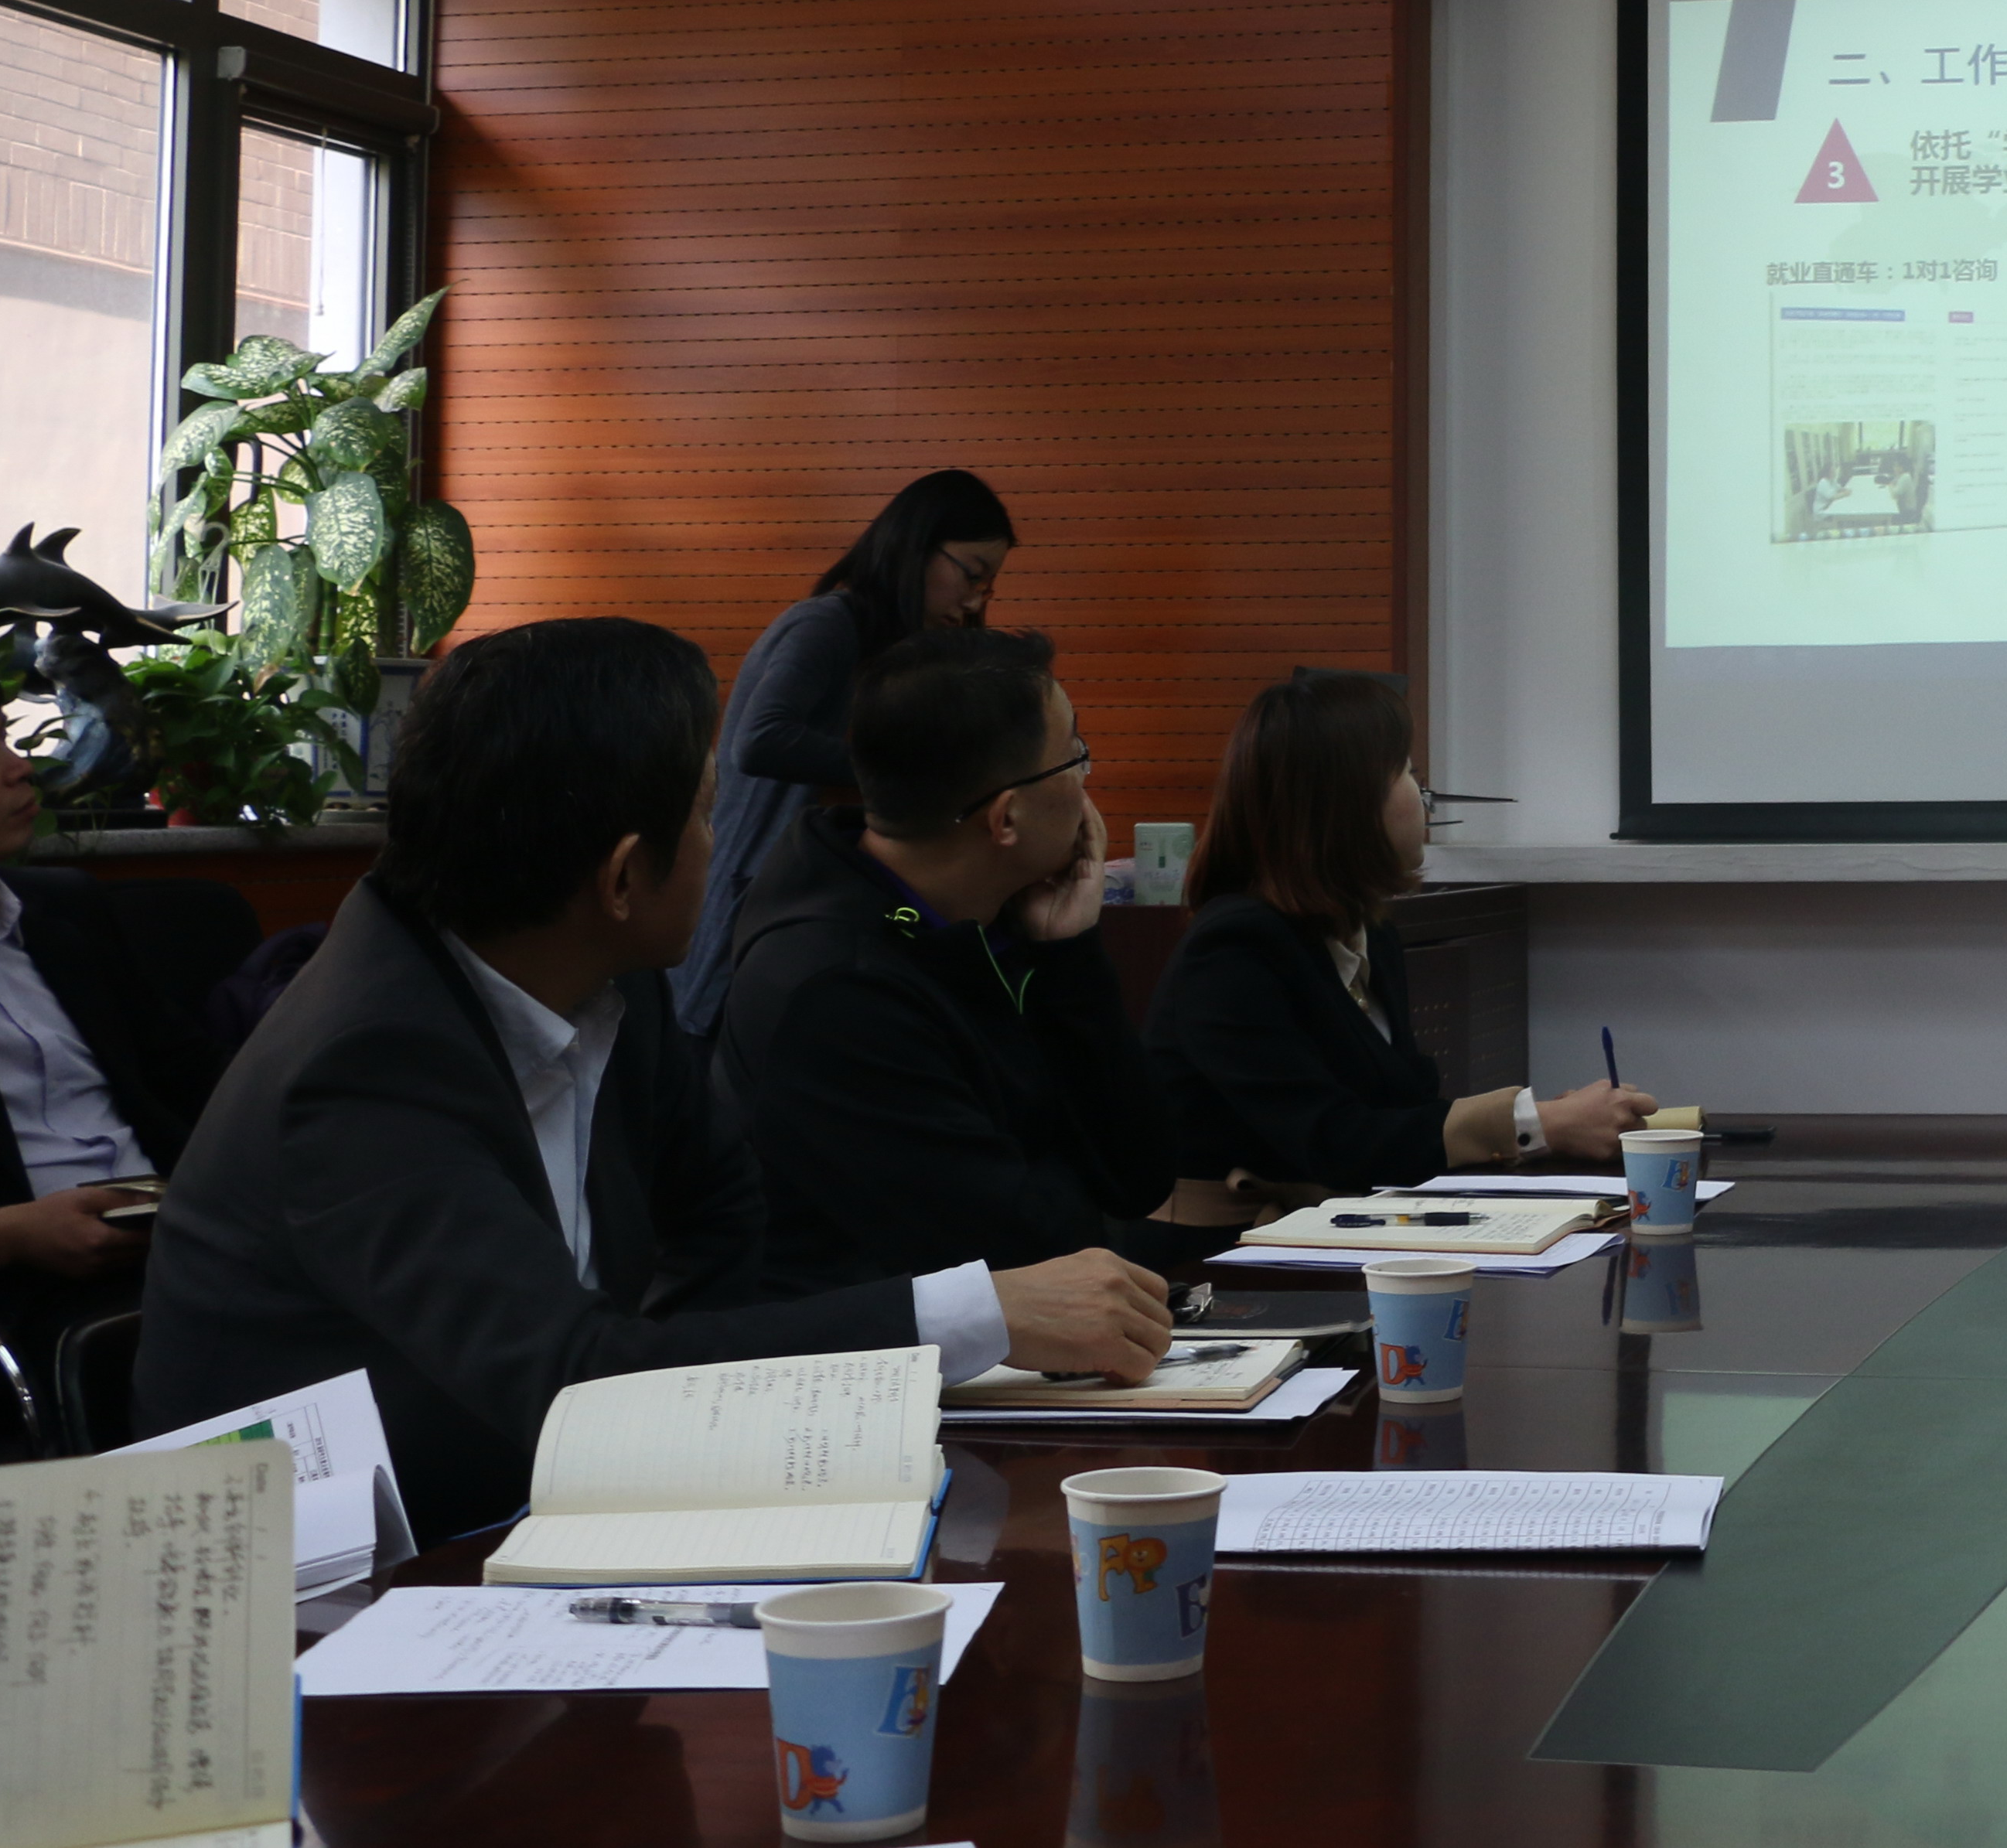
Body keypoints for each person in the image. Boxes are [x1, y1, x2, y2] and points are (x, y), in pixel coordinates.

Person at [135, 618, 1166, 1542]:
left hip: (538, 1515)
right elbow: (569, 1376)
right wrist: (973, 1310)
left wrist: (684, 1394)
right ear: (625, 876)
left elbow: (722, 1212)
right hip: (318, 1586)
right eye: (708, 814)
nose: (723, 851)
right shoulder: (364, 1063)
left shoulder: (603, 979)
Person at [719, 626, 1208, 1291]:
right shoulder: (835, 988)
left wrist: (1069, 955)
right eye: (1074, 756)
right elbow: (1027, 1246)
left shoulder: (989, 913)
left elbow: (1137, 1176)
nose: (1085, 782)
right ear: (1005, 818)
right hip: (888, 1349)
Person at [1145, 670, 1654, 1200]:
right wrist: (1535, 1123)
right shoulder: (1234, 949)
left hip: (1346, 1226)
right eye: (1408, 772)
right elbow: (1329, 1140)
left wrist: (1546, 1123)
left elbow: (1404, 1115)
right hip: (1232, 1242)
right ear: (1345, 801)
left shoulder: (1369, 932)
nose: (1424, 797)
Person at [0, 645, 220, 1373]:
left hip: (182, 1248)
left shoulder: (66, 911)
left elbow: (194, 1075)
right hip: (4, 1308)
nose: (19, 768)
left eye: (6, 739)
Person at [678, 469, 1015, 1034]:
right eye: (972, 574)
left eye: (990, 586)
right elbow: (759, 739)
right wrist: (903, 772)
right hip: (756, 900)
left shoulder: (903, 654)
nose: (975, 599)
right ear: (915, 546)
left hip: (819, 902)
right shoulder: (827, 624)